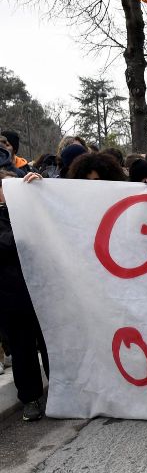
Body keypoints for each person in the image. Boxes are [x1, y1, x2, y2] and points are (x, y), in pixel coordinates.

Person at [0, 170, 50, 421]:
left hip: (43, 290)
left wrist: (41, 190)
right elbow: (9, 242)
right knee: (23, 350)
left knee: (53, 345)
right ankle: (30, 399)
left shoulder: (25, 210)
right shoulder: (9, 218)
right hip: (12, 298)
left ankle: (64, 390)